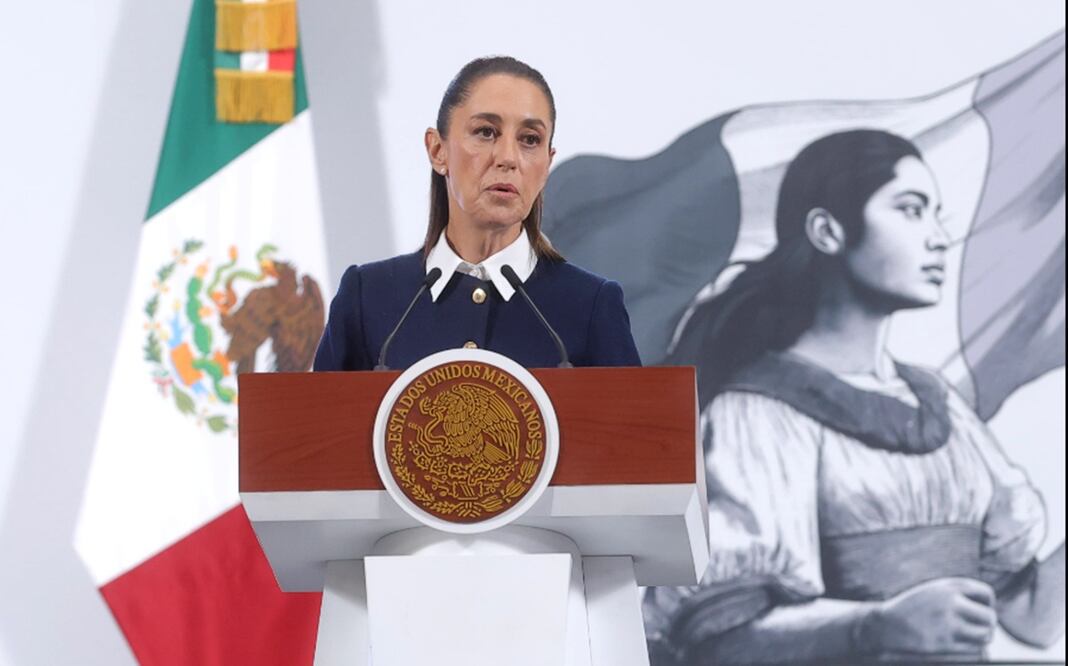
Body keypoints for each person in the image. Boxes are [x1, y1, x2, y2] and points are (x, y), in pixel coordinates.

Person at [645, 129, 1065, 664]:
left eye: (938, 215)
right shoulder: (759, 412)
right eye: (911, 210)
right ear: (827, 230)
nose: (938, 238)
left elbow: (1030, 616)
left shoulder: (940, 406)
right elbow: (718, 639)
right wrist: (878, 625)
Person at [313, 56, 641, 371]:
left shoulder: (590, 305)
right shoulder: (367, 297)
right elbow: (314, 427)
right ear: (437, 150)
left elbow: (636, 428)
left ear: (547, 165)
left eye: (530, 139)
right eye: (486, 132)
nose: (508, 158)